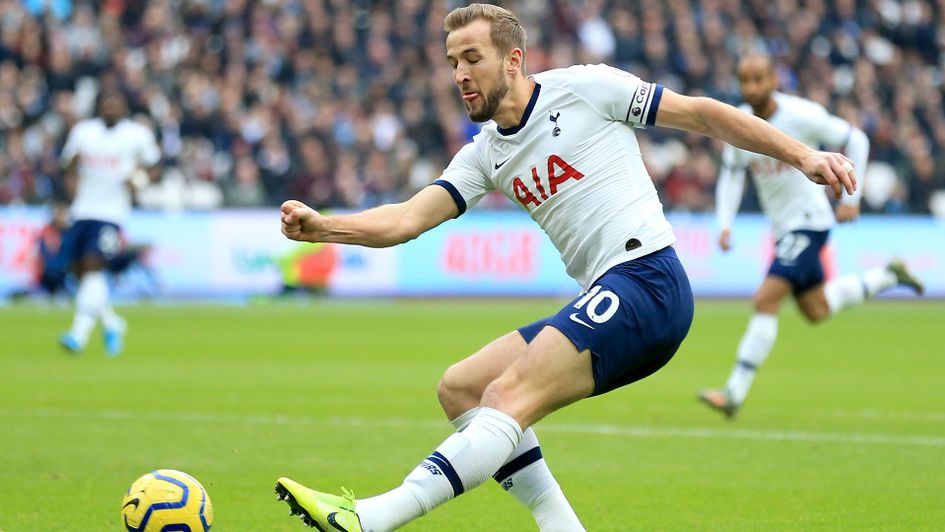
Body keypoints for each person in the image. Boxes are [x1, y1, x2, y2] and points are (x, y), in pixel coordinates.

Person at [274, 5, 856, 531]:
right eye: (453, 62)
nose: (460, 74)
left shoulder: (584, 89)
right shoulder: (484, 153)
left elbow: (702, 114)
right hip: (609, 291)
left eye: (473, 58)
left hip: (648, 280)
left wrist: (803, 155)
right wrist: (324, 227)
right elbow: (405, 219)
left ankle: (370, 519)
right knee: (462, 388)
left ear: (514, 59)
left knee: (505, 395)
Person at [697, 55, 924, 420]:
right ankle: (889, 275)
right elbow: (731, 173)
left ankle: (733, 393)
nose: (751, 88)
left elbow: (858, 140)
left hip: (809, 222)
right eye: (745, 81)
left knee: (765, 299)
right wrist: (724, 223)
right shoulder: (738, 122)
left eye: (758, 79)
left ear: (774, 79)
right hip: (783, 228)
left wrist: (852, 197)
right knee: (815, 309)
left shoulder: (802, 115)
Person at [57, 89, 161, 356]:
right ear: (99, 107)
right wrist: (72, 164)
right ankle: (113, 323)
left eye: (116, 105)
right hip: (82, 210)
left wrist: (139, 182)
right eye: (106, 104)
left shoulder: (137, 135)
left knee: (94, 265)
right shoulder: (83, 132)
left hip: (113, 214)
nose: (111, 109)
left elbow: (154, 167)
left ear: (124, 108)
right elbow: (65, 165)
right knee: (79, 272)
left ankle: (77, 336)